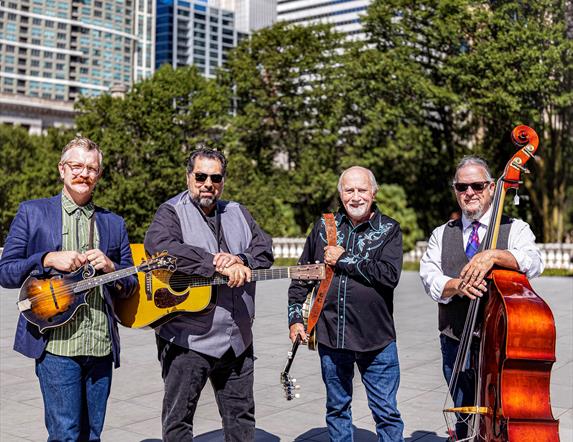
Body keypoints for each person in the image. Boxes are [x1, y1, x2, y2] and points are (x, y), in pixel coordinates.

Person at [0, 136, 138, 441]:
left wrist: (113, 267)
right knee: (65, 434)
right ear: (62, 169)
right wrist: (46, 258)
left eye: (91, 168)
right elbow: (5, 272)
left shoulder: (114, 223)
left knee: (92, 435)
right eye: (76, 166)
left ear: (99, 175)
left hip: (100, 346)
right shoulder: (32, 212)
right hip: (56, 347)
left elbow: (130, 286)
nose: (83, 173)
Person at [144, 147, 274, 441]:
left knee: (241, 418)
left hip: (238, 340)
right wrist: (215, 263)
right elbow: (161, 248)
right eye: (200, 176)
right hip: (187, 340)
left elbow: (264, 249)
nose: (208, 184)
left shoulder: (238, 211)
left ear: (223, 181)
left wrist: (241, 259)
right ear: (188, 176)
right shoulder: (171, 211)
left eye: (215, 178)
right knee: (179, 420)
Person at [419, 156, 544, 439]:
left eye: (477, 185)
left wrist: (494, 255)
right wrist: (456, 285)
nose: (469, 193)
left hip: (501, 344)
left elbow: (534, 262)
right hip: (455, 340)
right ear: (455, 191)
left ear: (491, 188)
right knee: (464, 412)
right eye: (462, 187)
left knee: (505, 412)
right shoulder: (442, 234)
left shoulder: (516, 229)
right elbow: (429, 277)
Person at [288, 166, 405, 442]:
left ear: (373, 193)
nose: (355, 196)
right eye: (349, 190)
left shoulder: (389, 229)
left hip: (376, 339)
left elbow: (388, 276)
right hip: (332, 336)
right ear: (341, 195)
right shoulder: (323, 227)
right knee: (337, 409)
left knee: (386, 411)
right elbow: (301, 276)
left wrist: (343, 259)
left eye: (362, 190)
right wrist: (295, 318)